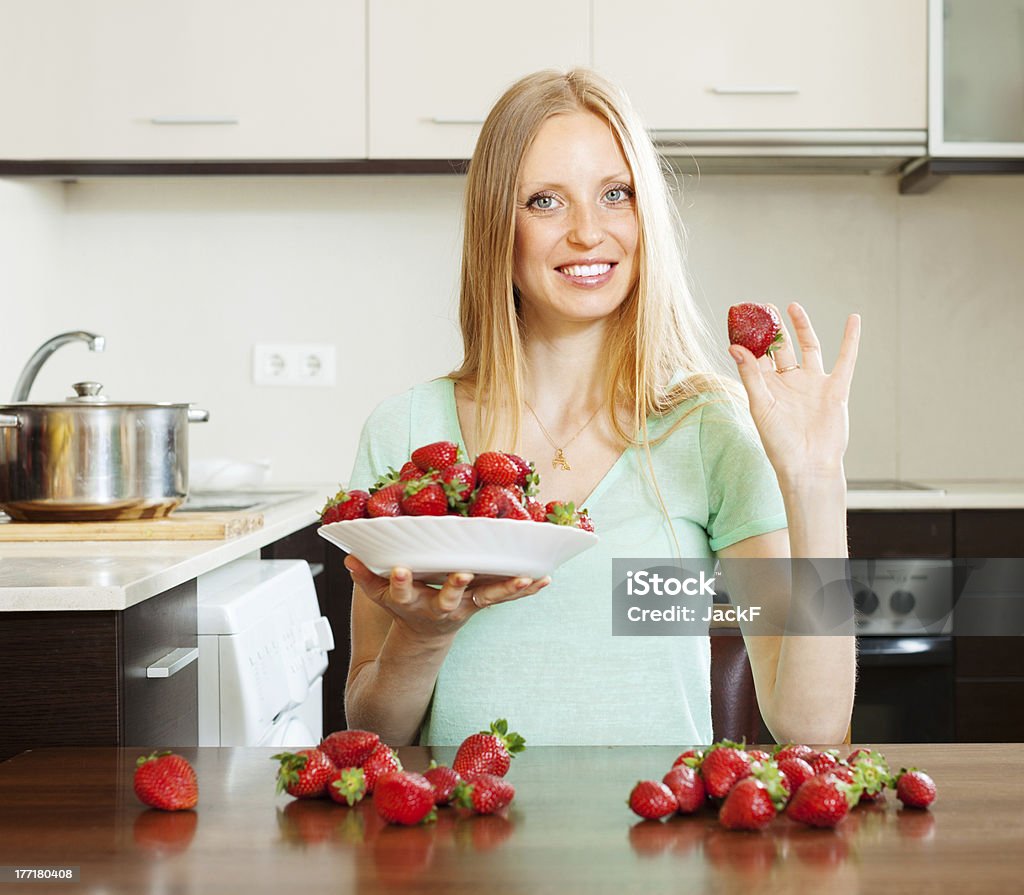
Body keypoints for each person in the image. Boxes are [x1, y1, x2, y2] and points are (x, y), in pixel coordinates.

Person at [343, 68, 860, 747]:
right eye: (545, 202)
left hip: (658, 844)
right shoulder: (406, 432)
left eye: (615, 194)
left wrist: (816, 480)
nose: (590, 232)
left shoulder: (708, 431)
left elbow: (814, 727)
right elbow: (371, 729)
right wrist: (424, 632)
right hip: (468, 847)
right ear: (498, 225)